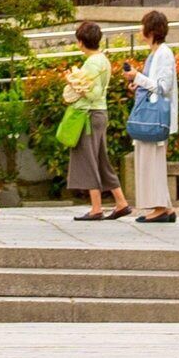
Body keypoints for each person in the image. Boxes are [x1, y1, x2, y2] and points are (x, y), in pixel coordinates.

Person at [62, 20, 127, 220]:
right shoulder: (103, 59)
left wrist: (74, 84)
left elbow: (92, 92)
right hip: (100, 113)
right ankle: (120, 202)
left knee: (88, 159)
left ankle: (96, 207)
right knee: (100, 159)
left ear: (81, 41)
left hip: (89, 114)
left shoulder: (91, 63)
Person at [130, 8, 179, 223]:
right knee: (151, 161)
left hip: (156, 117)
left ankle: (159, 208)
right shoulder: (156, 53)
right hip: (152, 114)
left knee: (153, 162)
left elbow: (162, 87)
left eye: (143, 26)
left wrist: (137, 77)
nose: (140, 31)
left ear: (149, 29)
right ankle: (165, 206)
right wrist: (137, 82)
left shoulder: (163, 53)